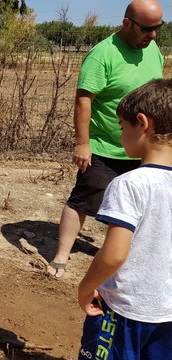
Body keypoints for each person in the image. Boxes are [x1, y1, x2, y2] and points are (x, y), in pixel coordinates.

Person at [47, 0, 164, 280]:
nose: (154, 35)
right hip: (105, 146)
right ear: (126, 24)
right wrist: (82, 143)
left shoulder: (153, 49)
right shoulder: (103, 54)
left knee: (143, 202)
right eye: (148, 29)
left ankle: (132, 255)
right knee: (84, 199)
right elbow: (84, 100)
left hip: (146, 147)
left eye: (158, 28)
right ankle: (61, 255)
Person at [77, 78, 172, 359]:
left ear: (142, 123)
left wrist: (85, 288)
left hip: (124, 311)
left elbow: (114, 255)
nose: (120, 137)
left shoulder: (129, 184)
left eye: (122, 127)